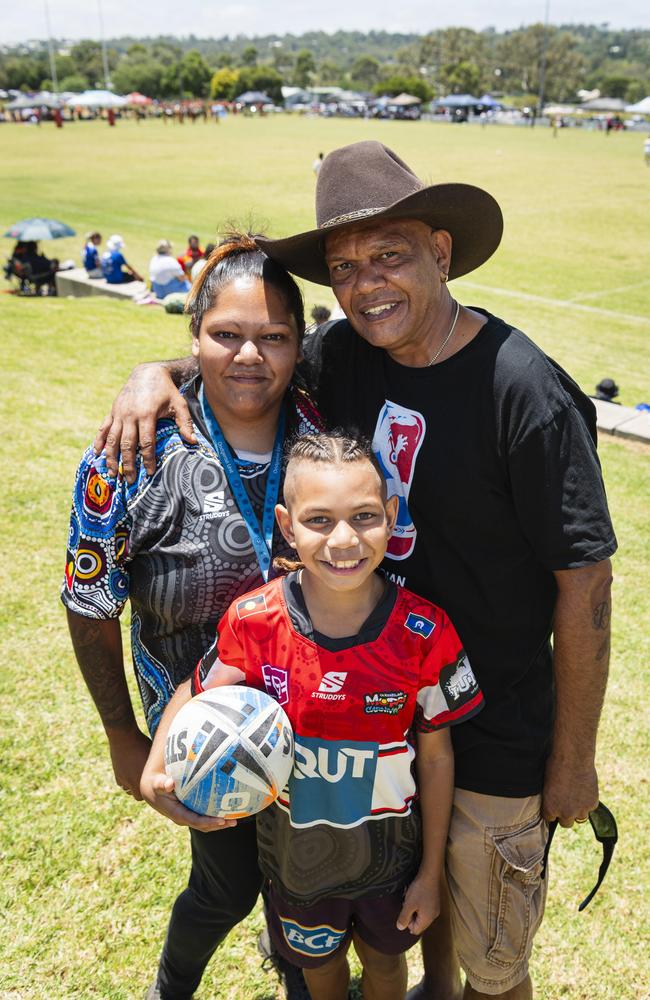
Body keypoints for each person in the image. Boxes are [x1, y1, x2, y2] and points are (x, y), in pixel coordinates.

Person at [96, 141, 616, 1000]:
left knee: (492, 944)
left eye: (390, 255)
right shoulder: (349, 354)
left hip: (493, 719)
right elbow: (249, 358)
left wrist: (574, 757)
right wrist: (157, 372)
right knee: (417, 908)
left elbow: (585, 586)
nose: (367, 283)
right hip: (372, 710)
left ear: (441, 253)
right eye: (344, 266)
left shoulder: (523, 390)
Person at [63, 234, 322, 1000]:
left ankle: (303, 981)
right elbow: (89, 602)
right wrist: (121, 734)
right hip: (199, 732)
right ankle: (171, 986)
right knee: (228, 884)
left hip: (317, 713)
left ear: (300, 347)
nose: (251, 356)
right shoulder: (128, 455)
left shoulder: (325, 433)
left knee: (307, 883)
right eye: (226, 335)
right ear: (194, 334)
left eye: (275, 337)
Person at [141, 432, 484, 1000]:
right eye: (319, 520)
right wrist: (156, 770)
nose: (345, 539)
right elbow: (197, 691)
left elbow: (438, 754)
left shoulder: (423, 632)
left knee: (384, 969)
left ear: (391, 516)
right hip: (295, 863)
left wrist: (429, 872)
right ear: (286, 523)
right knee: (318, 972)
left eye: (366, 516)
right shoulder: (255, 621)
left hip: (390, 861)